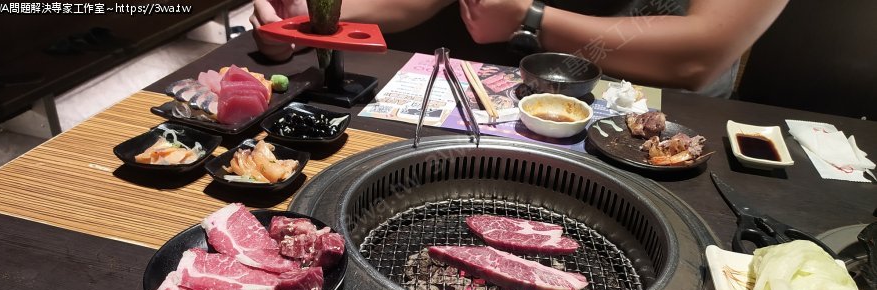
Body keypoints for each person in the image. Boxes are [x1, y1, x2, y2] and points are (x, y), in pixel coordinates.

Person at [250, 0, 788, 97]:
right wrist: (307, 18)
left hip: (661, 116)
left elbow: (698, 57)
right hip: (521, 97)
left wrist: (532, 21)